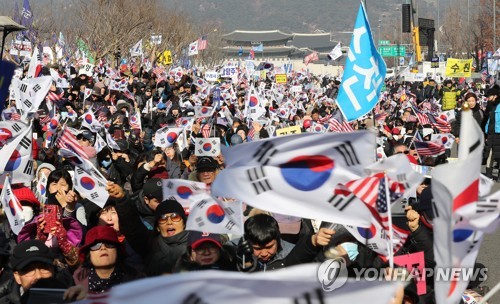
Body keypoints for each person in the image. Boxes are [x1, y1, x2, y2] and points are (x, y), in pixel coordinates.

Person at [235, 214, 334, 272]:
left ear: (278, 239)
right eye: (258, 248)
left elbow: (299, 258)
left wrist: (313, 241)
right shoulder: (233, 250)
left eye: (269, 247)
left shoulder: (291, 251)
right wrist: (245, 262)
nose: (264, 253)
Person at [115, 199, 189, 276]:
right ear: (157, 227)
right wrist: (122, 200)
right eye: (163, 218)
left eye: (175, 217)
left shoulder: (196, 245)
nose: (169, 222)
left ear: (184, 223)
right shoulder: (150, 244)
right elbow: (132, 227)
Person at [73, 226, 142, 294]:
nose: (103, 248)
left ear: (117, 251)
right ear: (89, 254)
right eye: (96, 245)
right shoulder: (76, 279)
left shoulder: (137, 280)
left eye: (109, 244)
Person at [0, 240, 73, 304]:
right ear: (17, 276)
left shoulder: (72, 298)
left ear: (53, 270)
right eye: (29, 270)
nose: (38, 276)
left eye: (44, 268)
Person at [483, 86, 500, 179]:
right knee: (489, 153)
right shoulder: (491, 105)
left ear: (495, 96)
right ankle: (488, 174)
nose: (487, 98)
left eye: (489, 96)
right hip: (491, 133)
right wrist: (486, 131)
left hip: (498, 133)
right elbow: (489, 119)